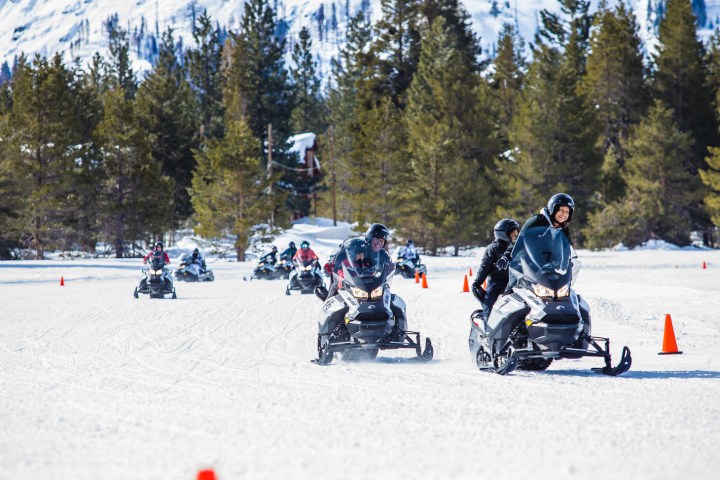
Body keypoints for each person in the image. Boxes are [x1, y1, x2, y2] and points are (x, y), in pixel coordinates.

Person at [472, 219, 520, 320]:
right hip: (498, 281)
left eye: (517, 231)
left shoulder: (519, 246)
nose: (516, 234)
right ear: (503, 235)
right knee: (489, 301)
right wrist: (477, 282)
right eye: (513, 232)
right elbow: (485, 266)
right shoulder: (493, 248)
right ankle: (488, 326)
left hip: (517, 280)